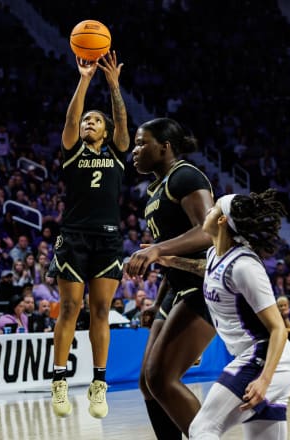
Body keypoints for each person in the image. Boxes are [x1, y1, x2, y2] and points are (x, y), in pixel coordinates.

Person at [156, 190, 290, 439]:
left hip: (263, 359)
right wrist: (171, 260)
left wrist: (264, 380)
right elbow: (206, 269)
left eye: (214, 208)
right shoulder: (215, 254)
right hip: (261, 361)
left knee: (202, 428)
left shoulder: (245, 267)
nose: (208, 211)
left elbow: (278, 329)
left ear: (222, 220)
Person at [48, 51, 129, 419]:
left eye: (95, 121)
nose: (88, 124)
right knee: (69, 308)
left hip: (108, 238)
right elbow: (70, 118)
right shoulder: (72, 151)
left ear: (107, 130)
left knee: (101, 310)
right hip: (75, 235)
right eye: (86, 121)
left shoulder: (117, 151)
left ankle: (99, 385)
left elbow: (123, 124)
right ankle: (60, 381)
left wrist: (113, 85)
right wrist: (84, 80)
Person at [125, 117, 215, 438]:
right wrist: (157, 299)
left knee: (162, 378)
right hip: (175, 288)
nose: (134, 151)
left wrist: (155, 250)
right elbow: (170, 258)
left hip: (202, 285)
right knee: (149, 384)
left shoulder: (184, 175)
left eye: (140, 143)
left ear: (164, 147)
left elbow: (208, 231)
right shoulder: (156, 190)